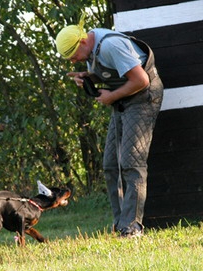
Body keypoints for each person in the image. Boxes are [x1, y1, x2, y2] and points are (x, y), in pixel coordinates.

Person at [55, 14, 163, 237]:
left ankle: (132, 227)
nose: (72, 61)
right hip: (124, 98)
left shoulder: (111, 45)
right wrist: (89, 77)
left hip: (143, 97)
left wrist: (112, 96)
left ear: (82, 41)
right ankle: (120, 224)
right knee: (111, 164)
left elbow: (141, 80)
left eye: (72, 55)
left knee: (132, 162)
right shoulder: (90, 48)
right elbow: (113, 73)